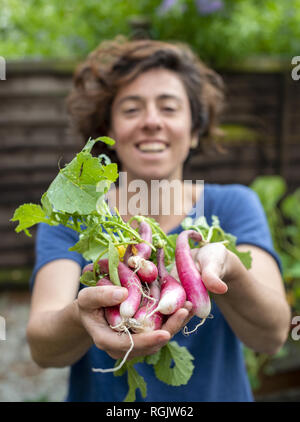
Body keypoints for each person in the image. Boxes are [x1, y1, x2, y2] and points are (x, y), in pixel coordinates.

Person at [26, 36, 291, 402]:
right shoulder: (74, 216)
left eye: (168, 108)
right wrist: (78, 316)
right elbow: (42, 347)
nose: (151, 121)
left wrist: (227, 269)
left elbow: (274, 334)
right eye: (131, 110)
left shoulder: (234, 206)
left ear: (196, 130)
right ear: (111, 131)